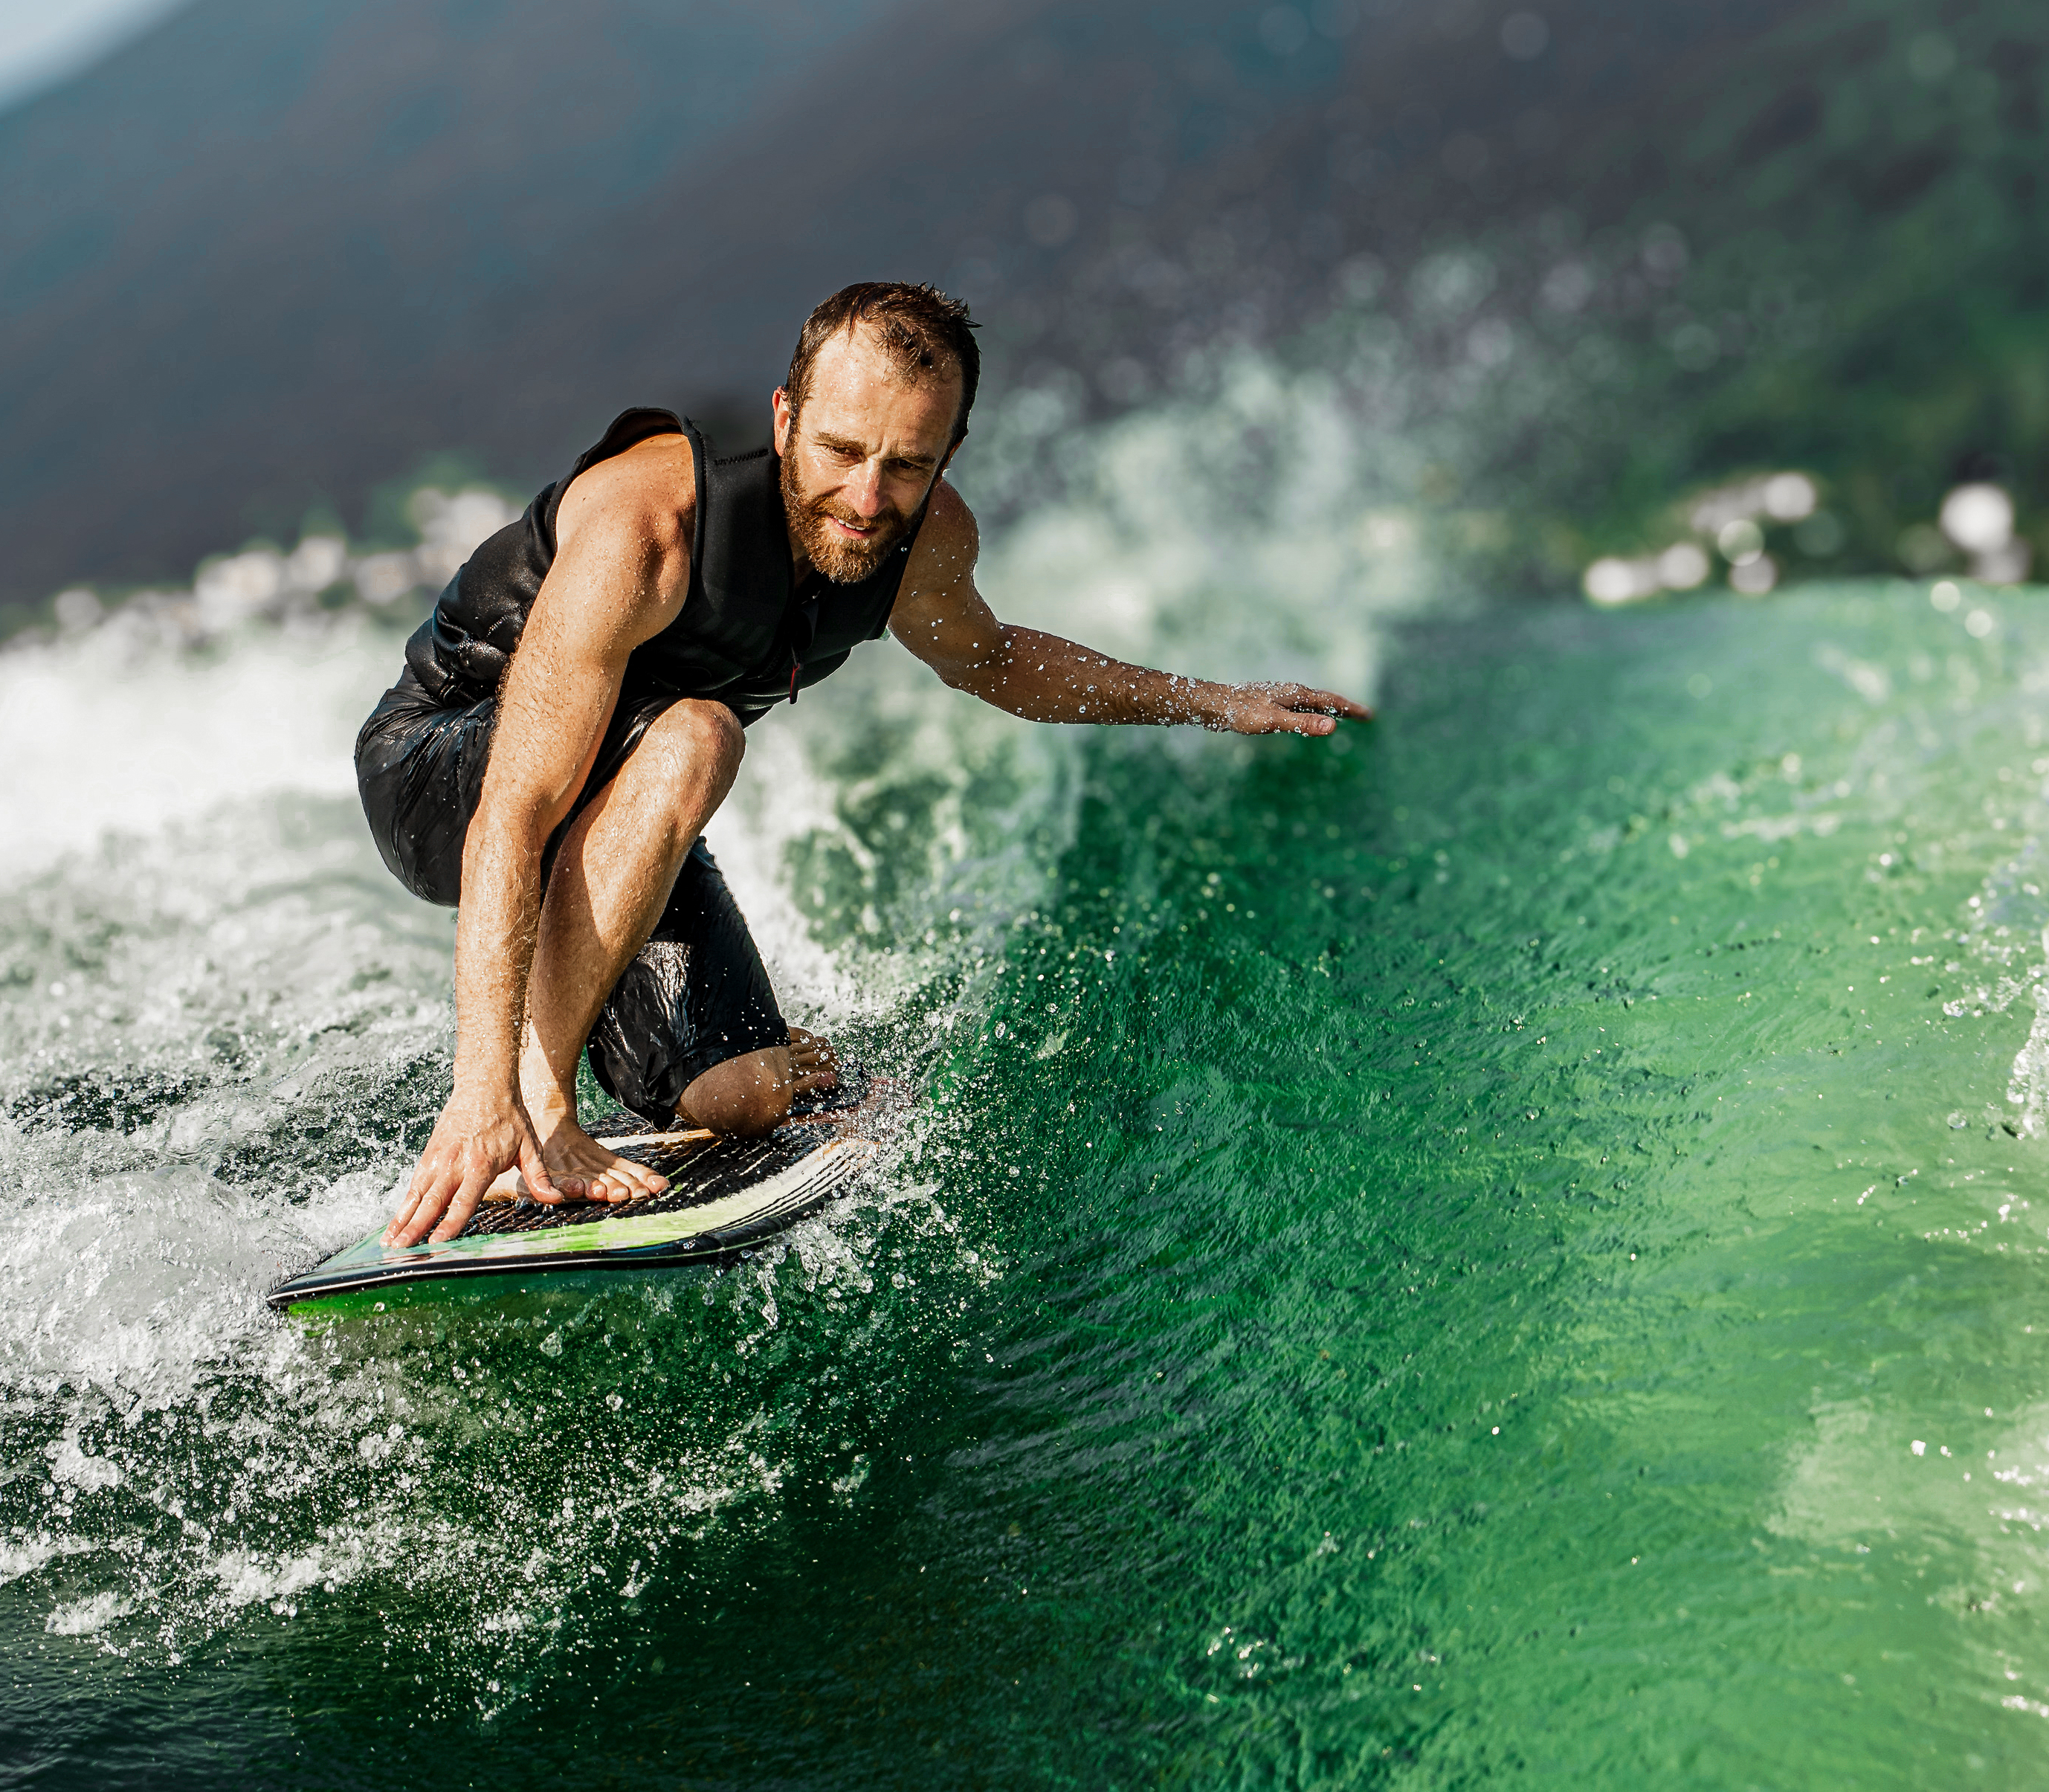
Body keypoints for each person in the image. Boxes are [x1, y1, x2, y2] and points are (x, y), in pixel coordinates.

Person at [356, 281, 1369, 1246]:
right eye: (840, 450)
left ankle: (646, 1080)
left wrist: (1209, 699)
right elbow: (512, 814)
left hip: (630, 797)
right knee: (701, 732)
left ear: (950, 451)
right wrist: (483, 1090)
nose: (867, 496)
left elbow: (997, 660)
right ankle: (535, 1116)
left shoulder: (917, 537)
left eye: (908, 464)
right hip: (443, 767)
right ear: (785, 417)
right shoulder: (648, 533)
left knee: (744, 1101)